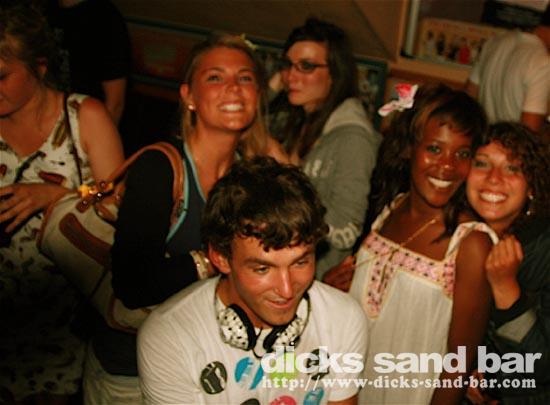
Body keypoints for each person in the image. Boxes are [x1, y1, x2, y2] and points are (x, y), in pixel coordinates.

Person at [83, 33, 287, 404]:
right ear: (188, 96)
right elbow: (132, 284)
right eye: (215, 77)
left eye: (244, 78)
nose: (233, 88)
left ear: (257, 95)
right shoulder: (160, 168)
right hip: (131, 372)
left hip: (210, 367)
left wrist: (283, 169)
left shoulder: (252, 176)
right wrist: (213, 259)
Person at [138, 157, 368, 404]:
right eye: (262, 269)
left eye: (300, 262)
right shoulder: (169, 337)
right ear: (221, 258)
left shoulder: (343, 317)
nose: (286, 289)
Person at [325, 84, 496, 404]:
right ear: (408, 148)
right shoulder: (391, 208)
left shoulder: (471, 244)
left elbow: (458, 365)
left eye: (462, 154)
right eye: (434, 148)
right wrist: (332, 292)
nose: (447, 166)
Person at [0, 3, 124, 403]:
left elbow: (117, 202)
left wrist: (60, 196)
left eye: (2, 76)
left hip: (62, 320)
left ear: (39, 67)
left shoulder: (84, 116)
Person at [269, 17, 381, 279]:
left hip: (315, 279)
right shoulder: (298, 118)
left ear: (335, 74)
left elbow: (345, 232)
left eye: (306, 66)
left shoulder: (353, 138)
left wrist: (288, 175)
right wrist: (274, 84)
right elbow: (248, 116)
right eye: (288, 65)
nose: (291, 76)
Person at [465, 122, 550, 404]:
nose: (494, 178)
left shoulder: (542, 250)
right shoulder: (461, 236)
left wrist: (505, 288)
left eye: (512, 168)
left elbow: (538, 368)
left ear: (531, 186)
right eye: (482, 164)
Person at [45, 0, 131, 125]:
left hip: (88, 124)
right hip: (52, 121)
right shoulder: (44, 11)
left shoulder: (105, 17)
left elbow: (115, 103)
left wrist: (99, 134)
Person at [465, 6, 550, 133]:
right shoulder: (543, 63)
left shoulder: (495, 41)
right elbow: (528, 134)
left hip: (484, 138)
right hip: (510, 143)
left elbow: (468, 98)